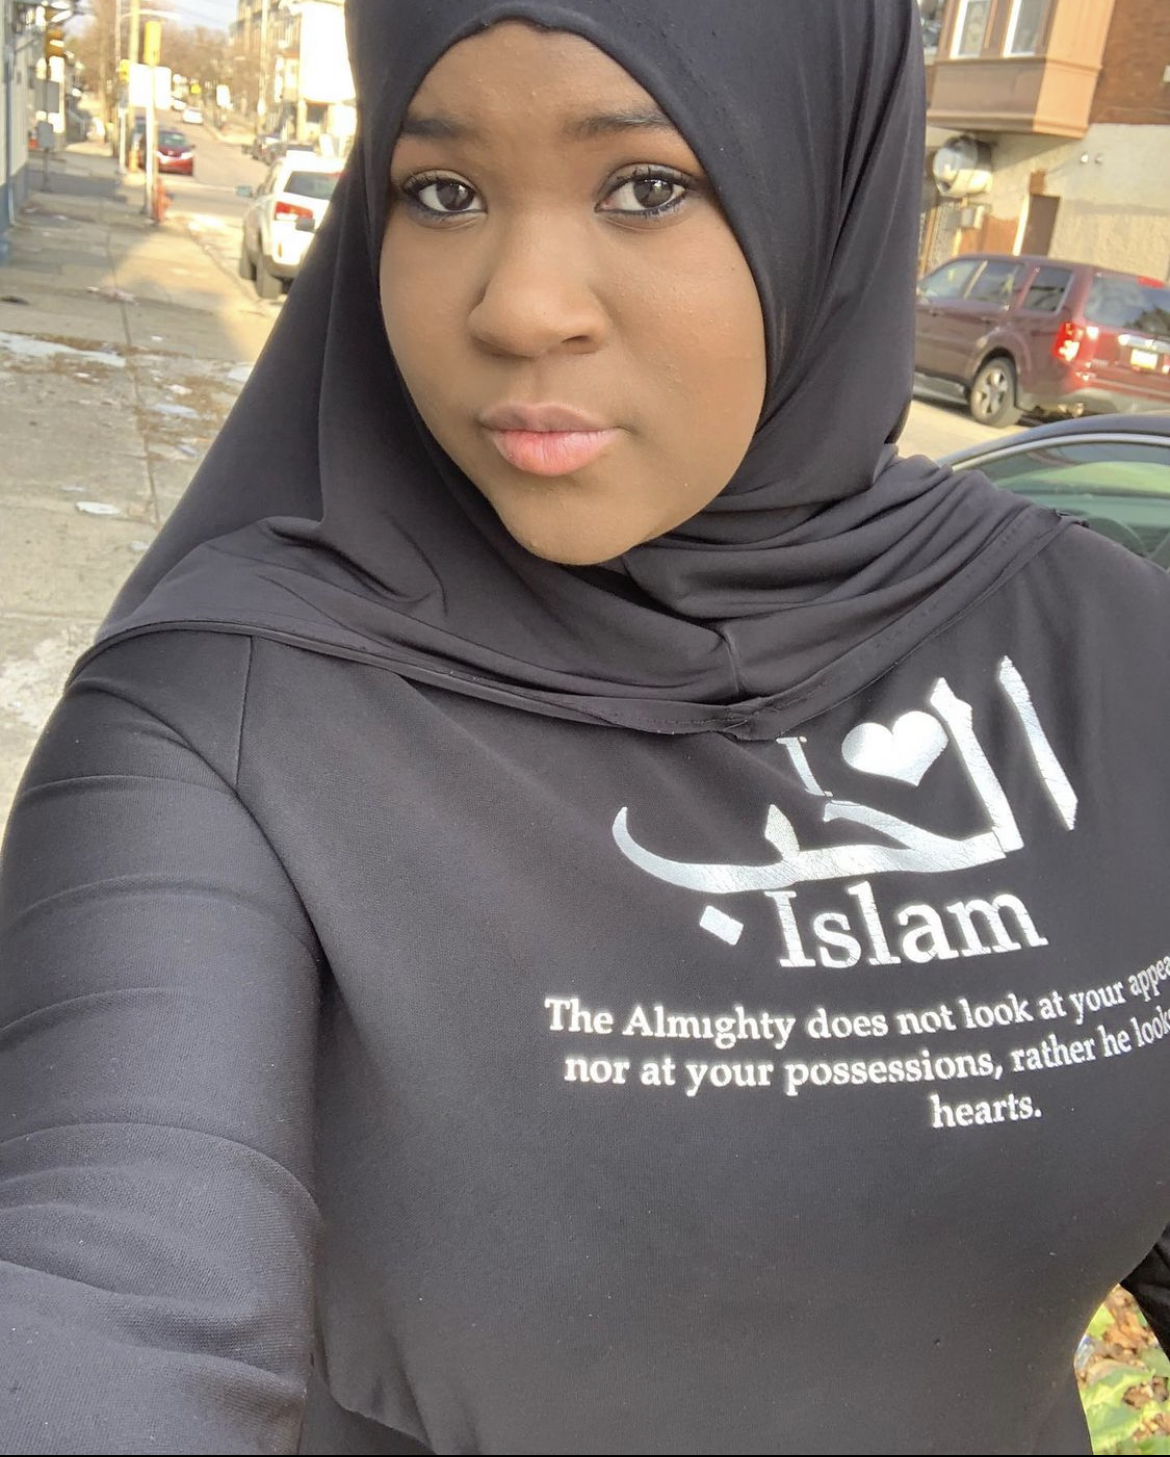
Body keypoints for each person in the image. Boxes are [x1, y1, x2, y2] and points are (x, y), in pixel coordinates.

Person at [1, 3, 1167, 1452]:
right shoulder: (227, 715)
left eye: (645, 185)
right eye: (443, 191)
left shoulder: (1102, 649)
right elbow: (109, 1277)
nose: (517, 306)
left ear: (827, 183)